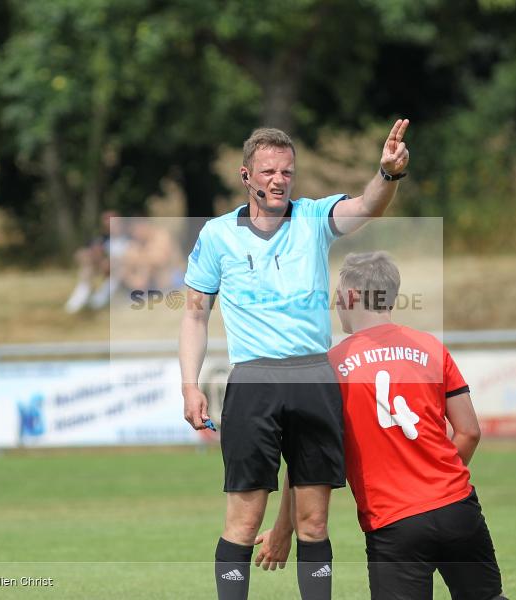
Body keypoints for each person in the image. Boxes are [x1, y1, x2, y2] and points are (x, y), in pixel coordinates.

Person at [180, 120, 410, 600]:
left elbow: (366, 207)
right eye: (267, 171)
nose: (278, 180)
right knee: (244, 521)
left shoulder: (313, 218)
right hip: (252, 382)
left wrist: (386, 175)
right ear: (246, 176)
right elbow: (195, 315)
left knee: (314, 520)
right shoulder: (218, 235)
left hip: (313, 376)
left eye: (287, 171)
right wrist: (189, 383)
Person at [256, 251, 507, 600]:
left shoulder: (331, 366)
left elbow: (307, 460)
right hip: (457, 507)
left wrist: (283, 529)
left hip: (394, 521)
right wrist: (435, 483)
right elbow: (469, 431)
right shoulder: (431, 347)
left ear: (354, 296)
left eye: (339, 294)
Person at [64, 209, 129, 312]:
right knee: (87, 266)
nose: (110, 222)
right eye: (106, 220)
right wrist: (95, 258)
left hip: (123, 271)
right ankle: (83, 292)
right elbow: (83, 253)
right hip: (106, 268)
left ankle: (99, 299)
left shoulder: (129, 238)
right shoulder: (102, 239)